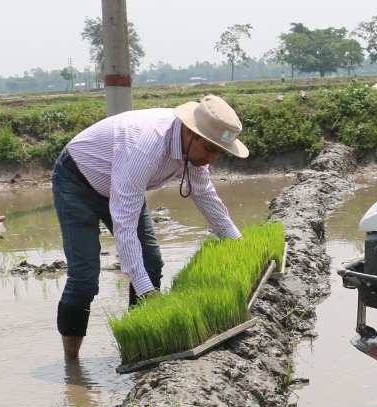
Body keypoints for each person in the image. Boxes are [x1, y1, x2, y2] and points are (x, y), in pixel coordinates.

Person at [52, 94, 248, 359]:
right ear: (191, 133)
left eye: (219, 153)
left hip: (122, 182)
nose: (212, 159)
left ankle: (141, 342)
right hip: (77, 183)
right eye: (210, 150)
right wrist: (146, 289)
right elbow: (124, 223)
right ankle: (71, 362)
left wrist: (237, 242)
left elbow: (203, 193)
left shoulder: (194, 153)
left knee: (151, 260)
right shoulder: (146, 147)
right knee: (85, 276)